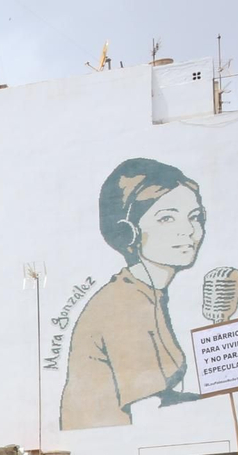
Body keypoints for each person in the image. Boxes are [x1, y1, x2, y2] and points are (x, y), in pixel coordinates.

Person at [59, 158, 207, 429]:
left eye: (194, 217)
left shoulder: (149, 295)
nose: (188, 230)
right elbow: (150, 410)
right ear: (129, 232)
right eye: (167, 218)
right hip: (109, 449)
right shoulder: (123, 304)